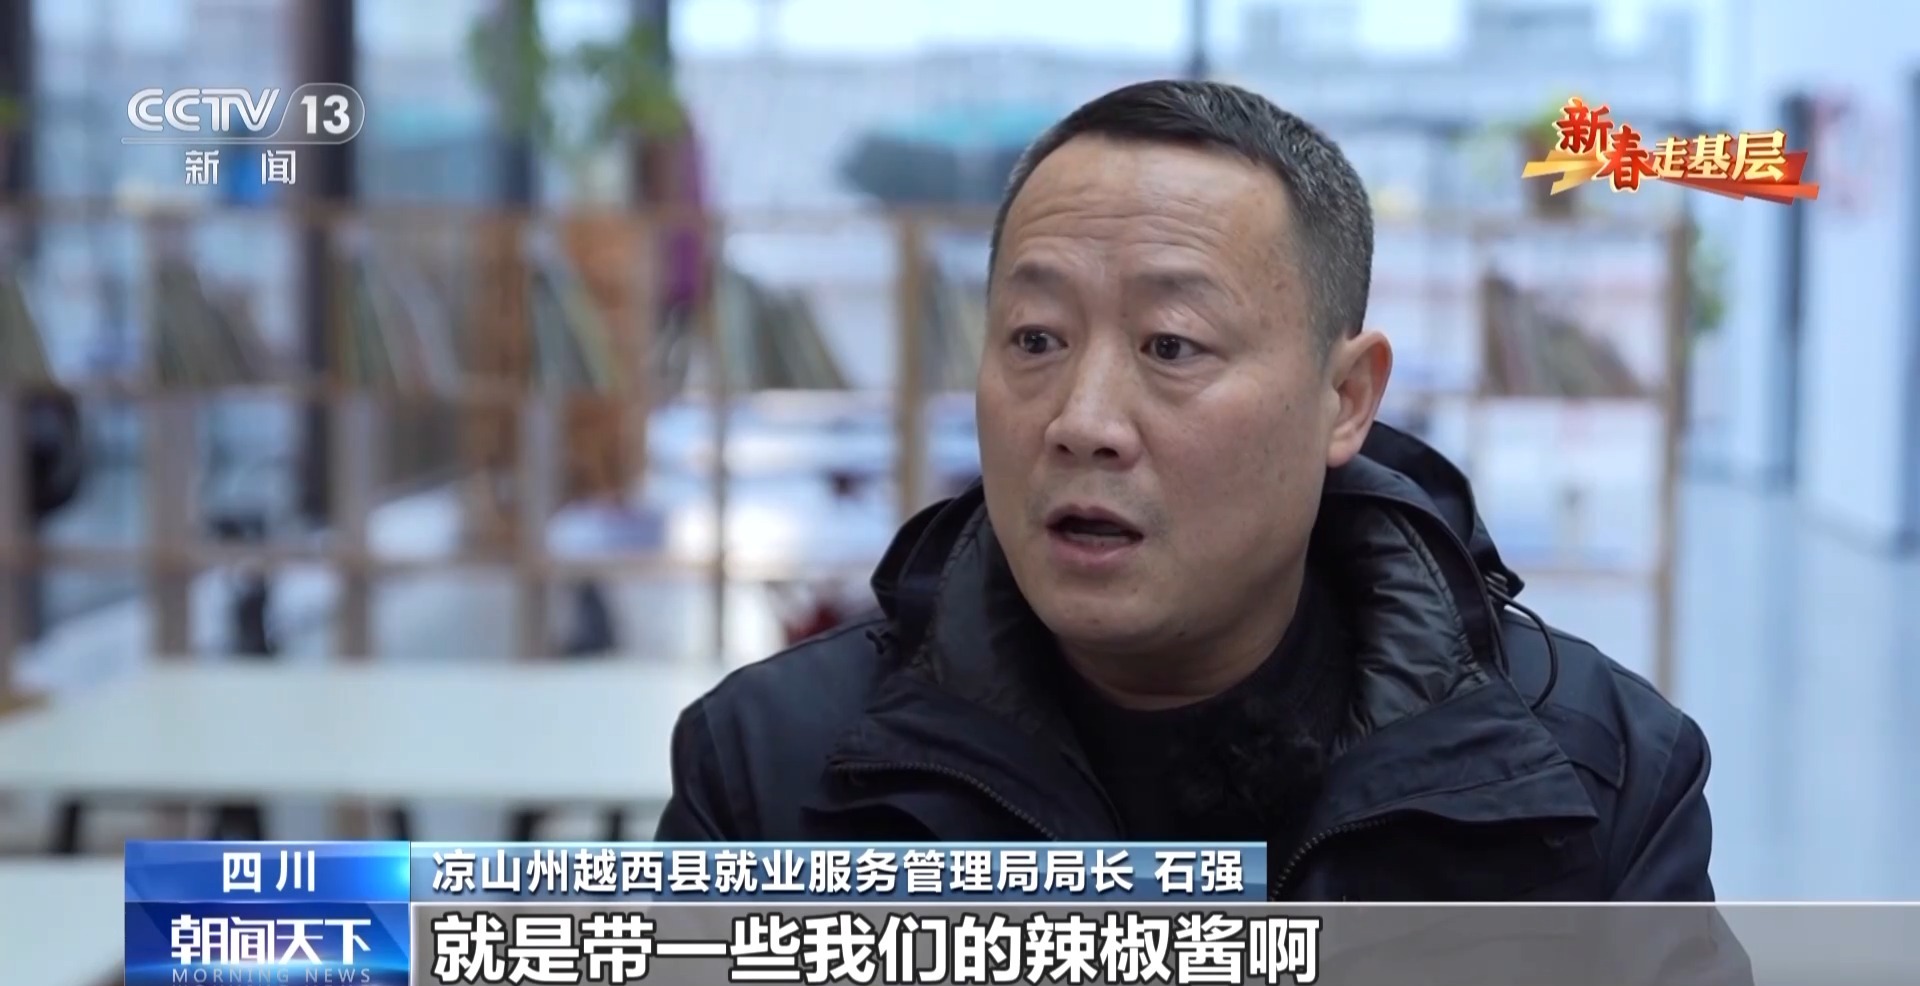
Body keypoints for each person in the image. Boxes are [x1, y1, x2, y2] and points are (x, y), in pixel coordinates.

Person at [654, 80, 1720, 902]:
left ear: (1345, 399)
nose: (1083, 419)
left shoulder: (1596, 790)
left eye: (1171, 344)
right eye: (1035, 338)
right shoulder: (771, 776)